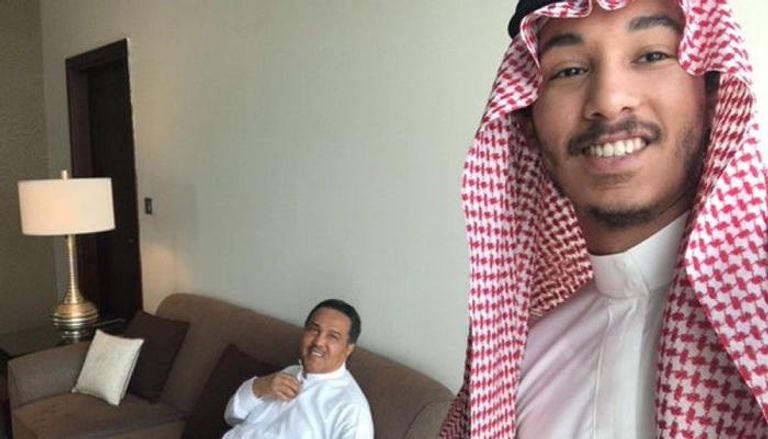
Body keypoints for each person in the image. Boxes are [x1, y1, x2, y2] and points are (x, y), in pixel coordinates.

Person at [441, 0, 768, 437]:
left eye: (651, 55)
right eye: (569, 70)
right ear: (528, 122)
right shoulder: (516, 367)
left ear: (711, 96)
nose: (609, 102)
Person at [223, 299, 374, 439]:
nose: (319, 342)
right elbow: (231, 416)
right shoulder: (291, 371)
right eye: (314, 330)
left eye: (332, 336)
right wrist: (260, 387)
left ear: (349, 349)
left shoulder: (352, 412)